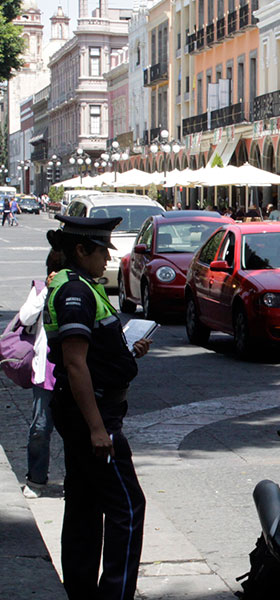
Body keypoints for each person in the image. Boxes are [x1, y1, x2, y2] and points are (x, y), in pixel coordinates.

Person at [44, 215, 151, 600]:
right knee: (128, 507)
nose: (107, 258)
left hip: (87, 414)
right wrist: (96, 429)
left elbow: (91, 351)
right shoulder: (76, 294)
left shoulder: (80, 287)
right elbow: (75, 364)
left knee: (85, 505)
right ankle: (115, 594)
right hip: (94, 416)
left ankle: (80, 590)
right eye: (101, 250)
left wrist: (124, 350)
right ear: (80, 250)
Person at [20, 244, 65, 497]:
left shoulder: (78, 290)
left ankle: (75, 481)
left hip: (71, 371)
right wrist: (46, 290)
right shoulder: (40, 290)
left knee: (74, 432)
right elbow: (25, 318)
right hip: (44, 372)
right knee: (40, 428)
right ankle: (36, 479)